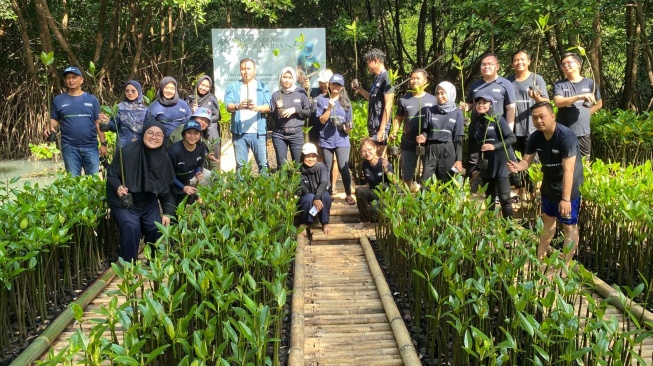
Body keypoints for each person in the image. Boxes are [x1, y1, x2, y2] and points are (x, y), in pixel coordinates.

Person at [507, 101, 583, 264]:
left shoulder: (566, 136)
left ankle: (565, 266)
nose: (539, 121)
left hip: (568, 188)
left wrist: (566, 199)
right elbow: (527, 161)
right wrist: (517, 166)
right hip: (549, 184)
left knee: (569, 227)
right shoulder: (535, 137)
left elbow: (569, 171)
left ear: (553, 116)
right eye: (535, 118)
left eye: (542, 117)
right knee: (547, 221)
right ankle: (540, 257)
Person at [106, 121, 176, 263]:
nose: (154, 137)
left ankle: (153, 262)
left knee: (155, 227)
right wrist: (118, 186)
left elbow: (165, 188)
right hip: (125, 200)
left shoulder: (164, 158)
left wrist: (168, 212)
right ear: (143, 133)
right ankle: (130, 265)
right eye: (150, 133)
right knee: (131, 227)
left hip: (147, 199)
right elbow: (112, 174)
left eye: (159, 134)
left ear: (163, 138)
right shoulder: (126, 152)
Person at [46, 66, 107, 176]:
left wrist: (103, 143)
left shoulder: (92, 99)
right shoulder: (58, 100)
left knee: (93, 182)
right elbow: (55, 119)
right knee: (73, 183)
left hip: (91, 146)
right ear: (65, 81)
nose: (71, 80)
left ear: (81, 80)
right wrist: (49, 126)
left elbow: (98, 122)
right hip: (70, 148)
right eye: (68, 78)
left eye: (74, 77)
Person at [390, 68, 437, 189]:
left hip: (427, 142)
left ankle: (425, 200)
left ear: (425, 80)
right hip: (408, 141)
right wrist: (394, 131)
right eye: (412, 78)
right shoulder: (404, 100)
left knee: (427, 174)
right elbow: (398, 118)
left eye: (418, 78)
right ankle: (407, 201)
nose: (414, 81)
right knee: (407, 173)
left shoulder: (433, 100)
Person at [472, 95, 516, 219]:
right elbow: (479, 148)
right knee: (489, 198)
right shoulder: (477, 124)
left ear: (491, 104)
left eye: (484, 102)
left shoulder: (498, 119)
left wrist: (494, 146)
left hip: (501, 164)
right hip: (487, 165)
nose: (480, 105)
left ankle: (509, 228)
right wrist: (477, 168)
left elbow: (512, 138)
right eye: (478, 103)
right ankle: (491, 228)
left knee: (505, 198)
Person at [224, 58, 271, 172]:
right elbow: (228, 105)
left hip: (258, 132)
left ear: (255, 70)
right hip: (239, 133)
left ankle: (265, 189)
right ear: (240, 71)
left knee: (263, 165)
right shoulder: (233, 87)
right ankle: (241, 189)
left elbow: (268, 106)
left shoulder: (262, 87)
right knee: (241, 166)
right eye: (243, 69)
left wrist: (257, 108)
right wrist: (238, 106)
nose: (246, 71)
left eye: (248, 68)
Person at [553, 52, 602, 158]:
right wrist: (579, 97)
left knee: (585, 163)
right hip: (563, 131)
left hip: (583, 131)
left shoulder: (590, 83)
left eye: (569, 62)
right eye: (563, 64)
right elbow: (558, 102)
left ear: (579, 64)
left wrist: (585, 114)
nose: (566, 65)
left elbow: (599, 104)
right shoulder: (559, 84)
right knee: (563, 162)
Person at [316, 74, 356, 206]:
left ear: (342, 87)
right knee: (327, 168)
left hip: (342, 140)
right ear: (329, 84)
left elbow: (349, 123)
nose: (336, 87)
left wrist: (347, 128)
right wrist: (329, 108)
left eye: (338, 85)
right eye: (333, 84)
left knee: (344, 168)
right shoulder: (322, 101)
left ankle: (348, 194)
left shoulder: (346, 103)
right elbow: (321, 120)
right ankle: (328, 194)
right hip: (326, 140)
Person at [416, 81, 464, 184]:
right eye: (437, 93)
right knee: (426, 182)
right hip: (431, 149)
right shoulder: (430, 111)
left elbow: (458, 138)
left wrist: (459, 160)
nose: (440, 96)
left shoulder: (457, 113)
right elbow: (425, 131)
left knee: (446, 183)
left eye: (443, 93)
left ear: (450, 94)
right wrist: (423, 137)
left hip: (448, 149)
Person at [506, 50, 550, 155]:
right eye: (516, 60)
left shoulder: (537, 79)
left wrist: (536, 98)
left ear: (529, 61)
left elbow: (547, 102)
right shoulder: (508, 81)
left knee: (532, 162)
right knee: (515, 162)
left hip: (532, 128)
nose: (519, 62)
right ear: (512, 63)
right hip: (513, 128)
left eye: (522, 59)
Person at [351, 48, 394, 155]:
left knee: (380, 157)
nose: (367, 66)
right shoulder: (377, 78)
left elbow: (388, 105)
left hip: (380, 124)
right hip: (373, 124)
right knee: (375, 158)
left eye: (367, 63)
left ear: (375, 60)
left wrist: (382, 129)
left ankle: (387, 173)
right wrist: (360, 90)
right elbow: (372, 98)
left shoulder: (387, 77)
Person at [305, 69, 339, 191]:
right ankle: (320, 184)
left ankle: (333, 185)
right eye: (321, 82)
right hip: (315, 131)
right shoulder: (313, 92)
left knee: (333, 160)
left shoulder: (336, 93)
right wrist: (305, 88)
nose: (323, 85)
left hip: (330, 133)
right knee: (318, 158)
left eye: (325, 82)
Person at [270, 67, 311, 168]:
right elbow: (272, 117)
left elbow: (308, 113)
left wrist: (295, 110)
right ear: (280, 78)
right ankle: (283, 183)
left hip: (296, 133)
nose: (287, 80)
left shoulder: (301, 93)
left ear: (294, 79)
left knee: (298, 165)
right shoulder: (276, 95)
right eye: (284, 77)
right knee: (281, 165)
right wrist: (277, 108)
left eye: (290, 77)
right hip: (279, 134)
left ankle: (297, 184)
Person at [354, 137, 394, 230]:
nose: (367, 153)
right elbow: (369, 183)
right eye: (364, 151)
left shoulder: (384, 163)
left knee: (373, 209)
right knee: (359, 190)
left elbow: (395, 181)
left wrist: (387, 171)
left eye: (369, 150)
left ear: (375, 149)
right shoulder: (365, 165)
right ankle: (365, 221)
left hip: (386, 195)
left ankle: (385, 220)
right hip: (374, 192)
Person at [166, 107, 220, 173]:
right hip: (177, 169)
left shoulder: (205, 136)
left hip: (196, 168)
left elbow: (211, 156)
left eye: (206, 121)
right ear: (193, 118)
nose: (203, 123)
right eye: (201, 119)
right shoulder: (183, 129)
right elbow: (180, 154)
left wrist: (216, 174)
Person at [184, 75, 222, 167]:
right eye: (202, 85)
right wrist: (192, 110)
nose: (204, 88)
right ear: (198, 84)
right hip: (195, 131)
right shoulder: (190, 99)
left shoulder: (212, 98)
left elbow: (217, 116)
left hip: (210, 130)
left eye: (207, 86)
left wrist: (204, 120)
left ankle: (215, 177)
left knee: (213, 158)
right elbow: (186, 116)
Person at [167, 120, 207, 206]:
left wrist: (198, 172)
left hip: (185, 181)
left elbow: (199, 164)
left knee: (181, 210)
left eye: (196, 133)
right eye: (189, 132)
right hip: (169, 185)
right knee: (171, 213)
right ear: (184, 134)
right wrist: (183, 187)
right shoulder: (174, 151)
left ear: (200, 135)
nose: (192, 136)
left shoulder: (201, 147)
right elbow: (168, 174)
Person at [296, 143, 332, 236]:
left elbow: (324, 183)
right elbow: (303, 188)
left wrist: (317, 197)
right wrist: (314, 199)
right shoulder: (298, 169)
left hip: (319, 195)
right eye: (308, 156)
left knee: (326, 196)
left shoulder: (321, 166)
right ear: (303, 157)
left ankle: (325, 222)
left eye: (313, 156)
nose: (311, 159)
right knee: (309, 197)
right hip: (306, 197)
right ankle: (303, 223)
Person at [100, 80, 147, 148]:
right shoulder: (119, 107)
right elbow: (115, 128)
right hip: (123, 147)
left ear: (139, 91)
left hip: (141, 147)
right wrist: (108, 122)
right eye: (127, 91)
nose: (130, 93)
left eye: (133, 91)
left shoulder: (145, 110)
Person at [145, 77, 192, 141]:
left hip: (182, 141)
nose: (169, 91)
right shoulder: (154, 106)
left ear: (175, 90)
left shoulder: (183, 104)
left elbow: (190, 123)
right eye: (166, 87)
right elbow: (147, 127)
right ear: (161, 88)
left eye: (172, 88)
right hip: (160, 142)